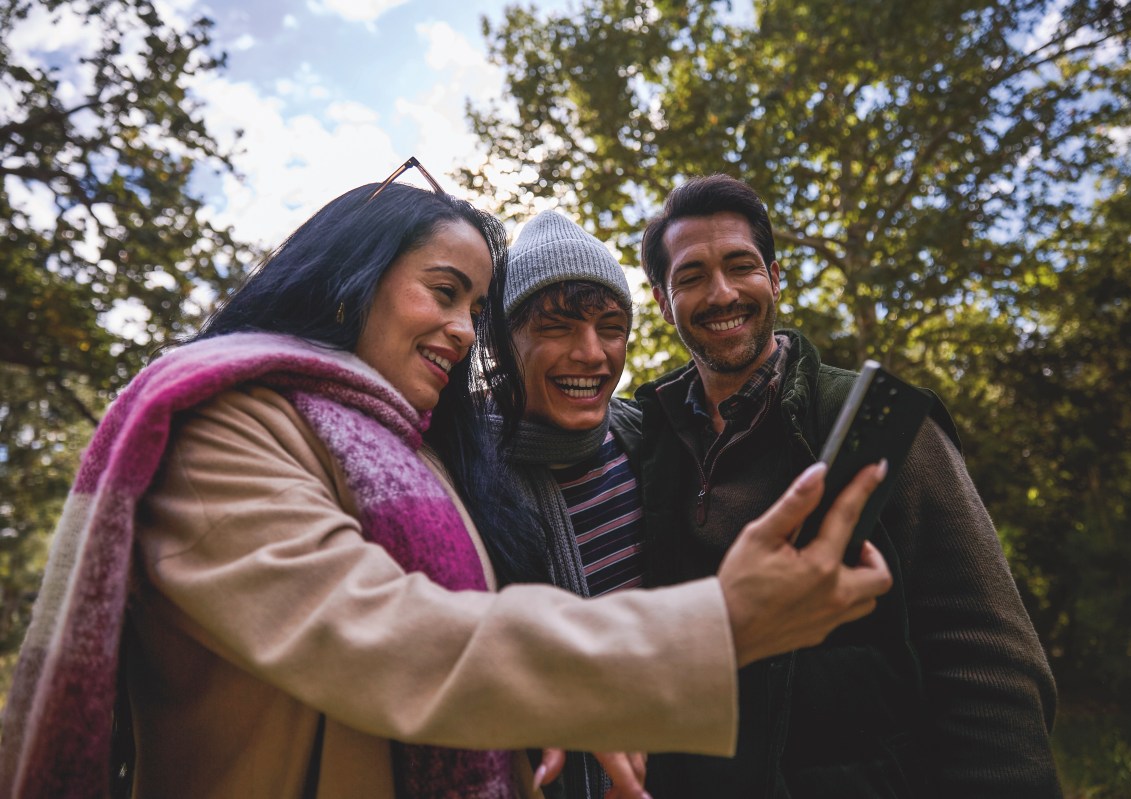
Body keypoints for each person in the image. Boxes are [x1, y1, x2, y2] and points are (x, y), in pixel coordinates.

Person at [0, 167, 895, 799]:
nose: (464, 330)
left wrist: (556, 703)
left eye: (474, 305)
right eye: (445, 292)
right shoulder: (228, 423)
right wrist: (715, 624)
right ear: (352, 280)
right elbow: (392, 636)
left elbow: (469, 637)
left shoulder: (419, 448)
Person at [634, 174, 1061, 798]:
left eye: (740, 266)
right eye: (692, 276)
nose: (721, 292)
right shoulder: (649, 439)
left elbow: (987, 659)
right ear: (663, 300)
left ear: (775, 278)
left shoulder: (881, 427)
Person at [500, 210, 648, 797]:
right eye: (557, 327)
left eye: (610, 327)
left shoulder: (652, 444)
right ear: (502, 341)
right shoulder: (456, 472)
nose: (591, 353)